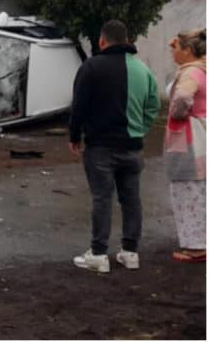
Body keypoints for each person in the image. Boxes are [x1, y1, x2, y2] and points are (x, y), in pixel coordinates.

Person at [69, 19, 159, 273]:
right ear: (128, 41)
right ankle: (130, 253)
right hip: (132, 147)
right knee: (131, 200)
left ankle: (98, 254)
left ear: (101, 40)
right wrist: (140, 130)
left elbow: (79, 106)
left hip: (100, 147)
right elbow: (153, 107)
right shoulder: (143, 70)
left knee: (102, 199)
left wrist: (74, 136)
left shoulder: (91, 68)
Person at [164, 28, 207, 263]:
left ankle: (196, 245)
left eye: (176, 47)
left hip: (188, 138)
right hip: (200, 136)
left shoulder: (191, 73)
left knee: (187, 190)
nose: (172, 51)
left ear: (188, 51)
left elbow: (181, 99)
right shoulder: (202, 69)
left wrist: (177, 114)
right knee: (198, 190)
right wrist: (178, 39)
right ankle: (199, 241)